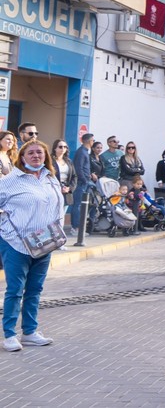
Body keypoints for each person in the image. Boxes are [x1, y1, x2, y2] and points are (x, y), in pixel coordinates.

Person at [0, 139, 63, 352]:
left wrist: (58, 233)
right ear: (23, 157)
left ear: (45, 156)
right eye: (31, 153)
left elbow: (57, 207)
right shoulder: (11, 180)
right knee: (15, 290)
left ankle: (29, 332)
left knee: (35, 289)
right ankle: (9, 334)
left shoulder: (50, 178)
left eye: (40, 152)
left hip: (44, 242)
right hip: (16, 243)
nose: (36, 156)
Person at [71, 134, 97, 233]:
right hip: (81, 183)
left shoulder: (85, 152)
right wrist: (85, 180)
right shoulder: (81, 152)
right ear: (89, 141)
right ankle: (75, 227)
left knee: (85, 204)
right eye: (93, 140)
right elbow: (78, 168)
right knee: (77, 205)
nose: (93, 142)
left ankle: (81, 227)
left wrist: (89, 175)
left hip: (85, 181)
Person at [51, 139, 77, 233]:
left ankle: (60, 240)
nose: (63, 149)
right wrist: (58, 188)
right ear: (55, 148)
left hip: (66, 193)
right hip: (53, 192)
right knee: (53, 217)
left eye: (65, 147)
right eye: (60, 147)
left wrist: (70, 188)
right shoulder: (50, 161)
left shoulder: (68, 161)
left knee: (61, 217)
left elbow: (74, 176)